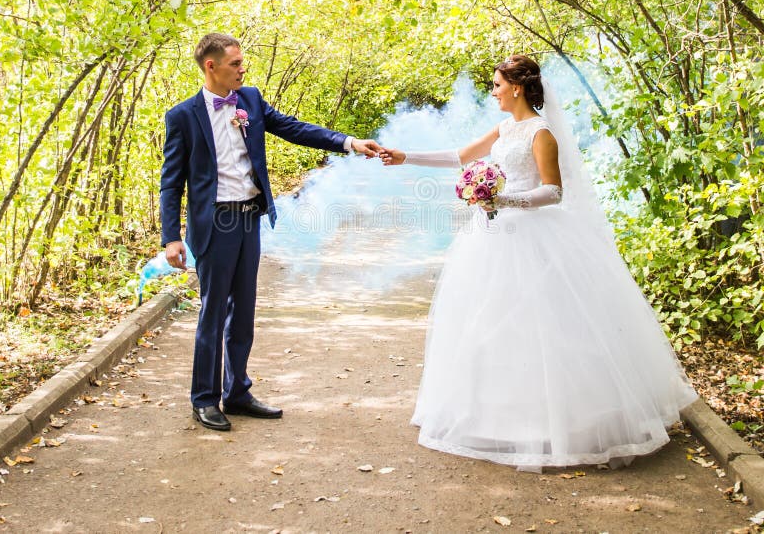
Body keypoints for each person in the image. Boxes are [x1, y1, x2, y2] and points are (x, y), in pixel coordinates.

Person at [379, 55, 697, 471]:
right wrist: (405, 156)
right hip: (494, 237)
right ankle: (495, 419)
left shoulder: (541, 132)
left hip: (535, 237)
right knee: (488, 323)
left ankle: (553, 425)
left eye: (496, 85)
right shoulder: (505, 128)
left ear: (516, 87)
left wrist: (502, 199)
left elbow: (554, 191)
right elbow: (460, 156)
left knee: (541, 327)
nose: (492, 92)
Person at [160, 33, 382, 431]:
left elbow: (294, 128)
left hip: (249, 220)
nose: (242, 69)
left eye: (242, 62)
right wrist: (171, 236)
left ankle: (237, 392)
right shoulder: (182, 117)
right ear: (211, 66)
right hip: (214, 224)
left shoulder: (250, 99)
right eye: (235, 63)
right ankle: (204, 399)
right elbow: (171, 182)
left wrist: (348, 142)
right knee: (213, 313)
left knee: (243, 312)